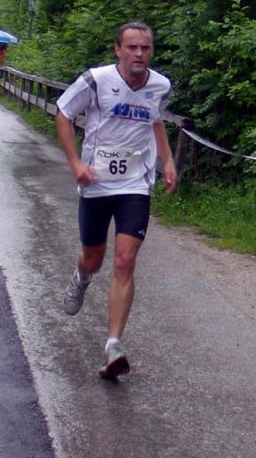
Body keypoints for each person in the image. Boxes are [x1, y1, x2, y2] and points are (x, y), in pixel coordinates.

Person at [56, 22, 178, 379]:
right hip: (96, 183)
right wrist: (76, 163)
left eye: (146, 48)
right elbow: (63, 114)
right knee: (94, 259)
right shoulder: (95, 80)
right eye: (132, 48)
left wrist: (167, 160)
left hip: (135, 186)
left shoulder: (160, 86)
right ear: (118, 50)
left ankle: (113, 346)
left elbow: (156, 122)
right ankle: (81, 276)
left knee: (125, 260)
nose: (139, 54)